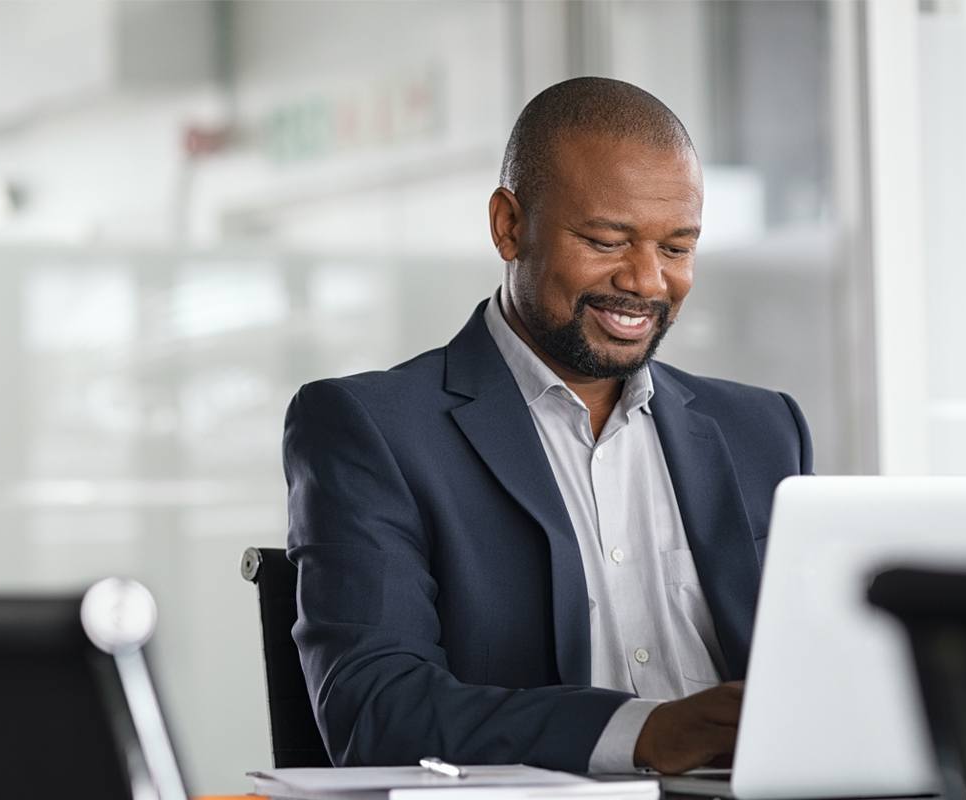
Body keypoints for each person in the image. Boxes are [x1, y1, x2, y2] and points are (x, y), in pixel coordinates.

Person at [282, 77, 812, 774]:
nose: (648, 281)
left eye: (677, 249)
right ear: (509, 226)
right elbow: (377, 711)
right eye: (606, 240)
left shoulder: (763, 429)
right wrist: (642, 733)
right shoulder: (372, 429)